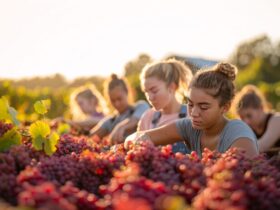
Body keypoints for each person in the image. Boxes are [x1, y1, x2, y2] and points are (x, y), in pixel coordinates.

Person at [125, 62, 259, 158]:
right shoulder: (189, 127)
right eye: (190, 104)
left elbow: (242, 175)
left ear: (225, 107)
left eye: (204, 107)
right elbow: (140, 136)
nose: (194, 113)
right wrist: (137, 141)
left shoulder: (238, 131)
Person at [137, 58, 193, 153]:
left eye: (154, 91)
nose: (149, 97)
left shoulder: (192, 114)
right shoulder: (147, 118)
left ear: (172, 87)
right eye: (146, 92)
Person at [90, 74, 149, 144]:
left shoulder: (140, 106)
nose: (116, 104)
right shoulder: (111, 121)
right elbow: (91, 136)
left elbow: (136, 119)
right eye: (113, 100)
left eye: (119, 99)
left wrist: (121, 127)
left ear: (127, 93)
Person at [232, 84, 280, 153]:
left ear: (261, 108)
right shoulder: (249, 129)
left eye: (249, 116)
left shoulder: (277, 120)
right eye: (242, 117)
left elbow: (262, 146)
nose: (246, 122)